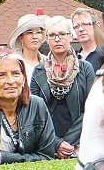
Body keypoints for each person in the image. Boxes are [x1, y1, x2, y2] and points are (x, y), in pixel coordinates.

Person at [31, 17, 94, 160]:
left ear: (71, 36)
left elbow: (91, 108)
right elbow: (34, 113)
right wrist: (56, 143)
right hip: (48, 145)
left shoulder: (85, 69)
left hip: (80, 144)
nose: (57, 39)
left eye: (62, 34)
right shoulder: (39, 71)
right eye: (52, 35)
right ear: (46, 39)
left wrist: (68, 143)